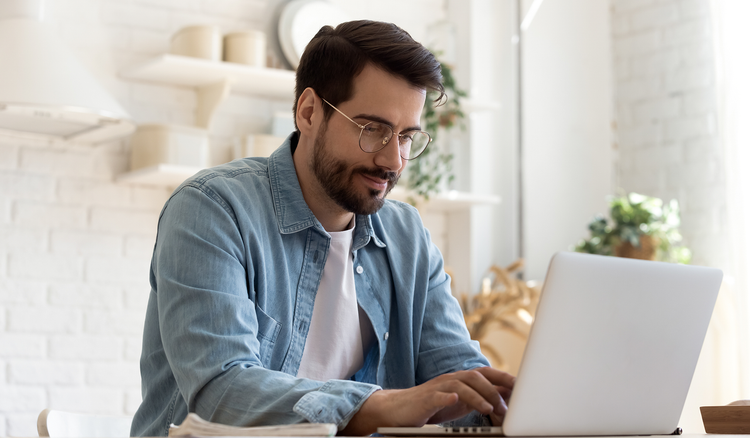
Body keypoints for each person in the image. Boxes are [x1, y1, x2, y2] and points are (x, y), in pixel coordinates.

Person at [131, 20, 514, 437]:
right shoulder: (212, 210)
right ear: (309, 112)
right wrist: (380, 405)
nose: (393, 161)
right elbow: (221, 392)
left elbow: (459, 378)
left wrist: (505, 404)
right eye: (373, 130)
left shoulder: (407, 236)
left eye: (406, 137)